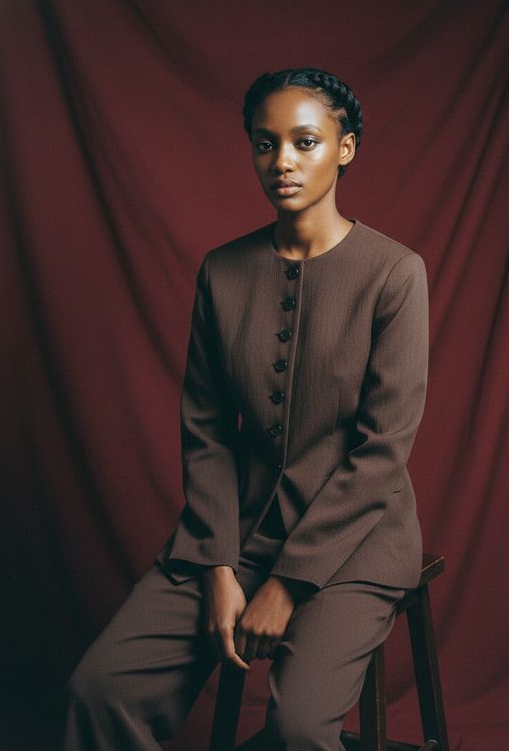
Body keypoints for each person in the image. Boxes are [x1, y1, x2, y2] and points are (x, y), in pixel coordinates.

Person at [65, 67, 429, 750]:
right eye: (266, 144)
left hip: (354, 544)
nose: (282, 161)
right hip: (234, 534)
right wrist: (217, 566)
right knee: (101, 689)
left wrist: (286, 586)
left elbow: (382, 452)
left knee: (296, 729)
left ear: (345, 149)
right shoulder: (222, 271)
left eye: (304, 142)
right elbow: (205, 432)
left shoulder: (394, 274)